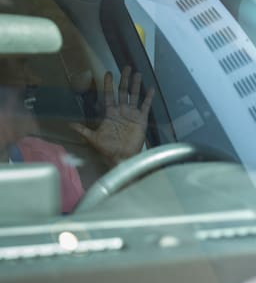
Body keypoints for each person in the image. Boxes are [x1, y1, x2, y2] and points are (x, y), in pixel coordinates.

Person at [1, 58, 154, 213]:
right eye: (19, 63)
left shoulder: (49, 161)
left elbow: (99, 226)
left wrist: (123, 165)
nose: (36, 79)